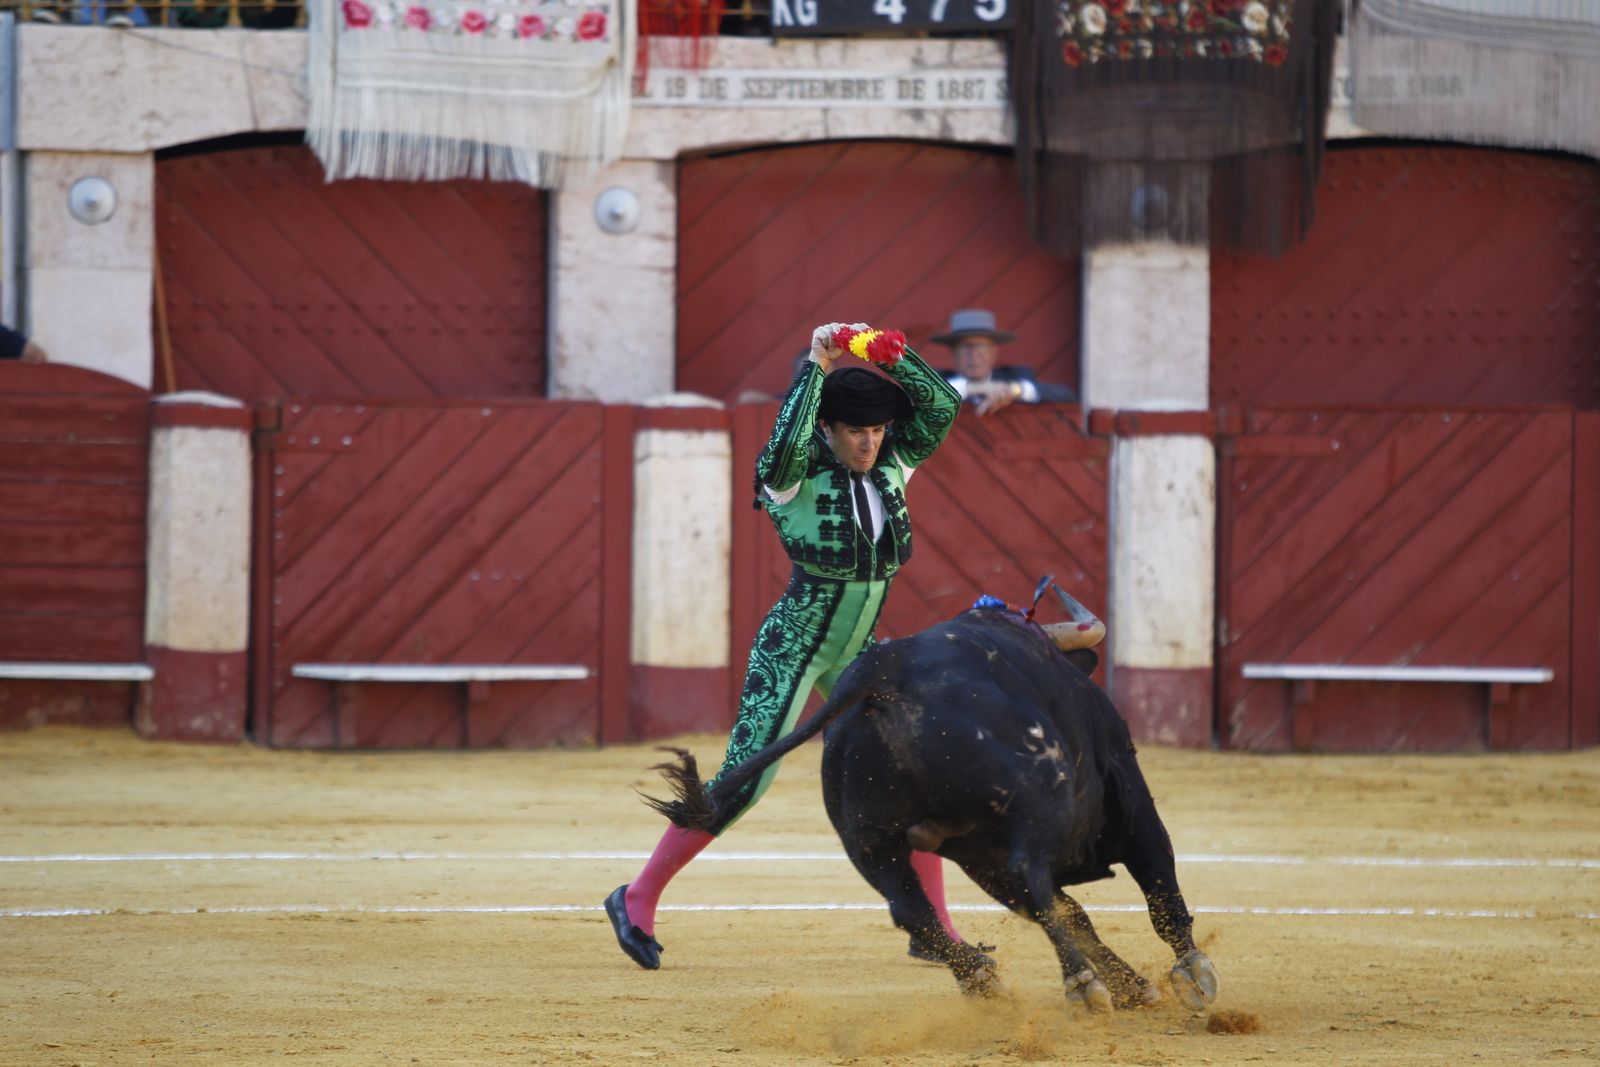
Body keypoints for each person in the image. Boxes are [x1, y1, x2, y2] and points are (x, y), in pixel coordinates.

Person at [605, 322, 976, 970]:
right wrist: (816, 364)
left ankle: (933, 926)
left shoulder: (893, 462)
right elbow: (783, 442)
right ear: (828, 428)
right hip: (795, 646)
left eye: (877, 429)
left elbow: (941, 405)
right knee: (747, 779)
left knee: (920, 772)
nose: (869, 441)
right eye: (855, 430)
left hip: (862, 650)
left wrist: (890, 354)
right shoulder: (789, 476)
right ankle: (635, 895)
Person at [931, 308, 1076, 416]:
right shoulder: (936, 380)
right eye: (967, 347)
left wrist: (1014, 391)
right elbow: (919, 398)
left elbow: (1066, 396)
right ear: (953, 352)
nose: (974, 355)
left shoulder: (1014, 377)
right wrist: (974, 388)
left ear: (994, 352)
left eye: (982, 347)